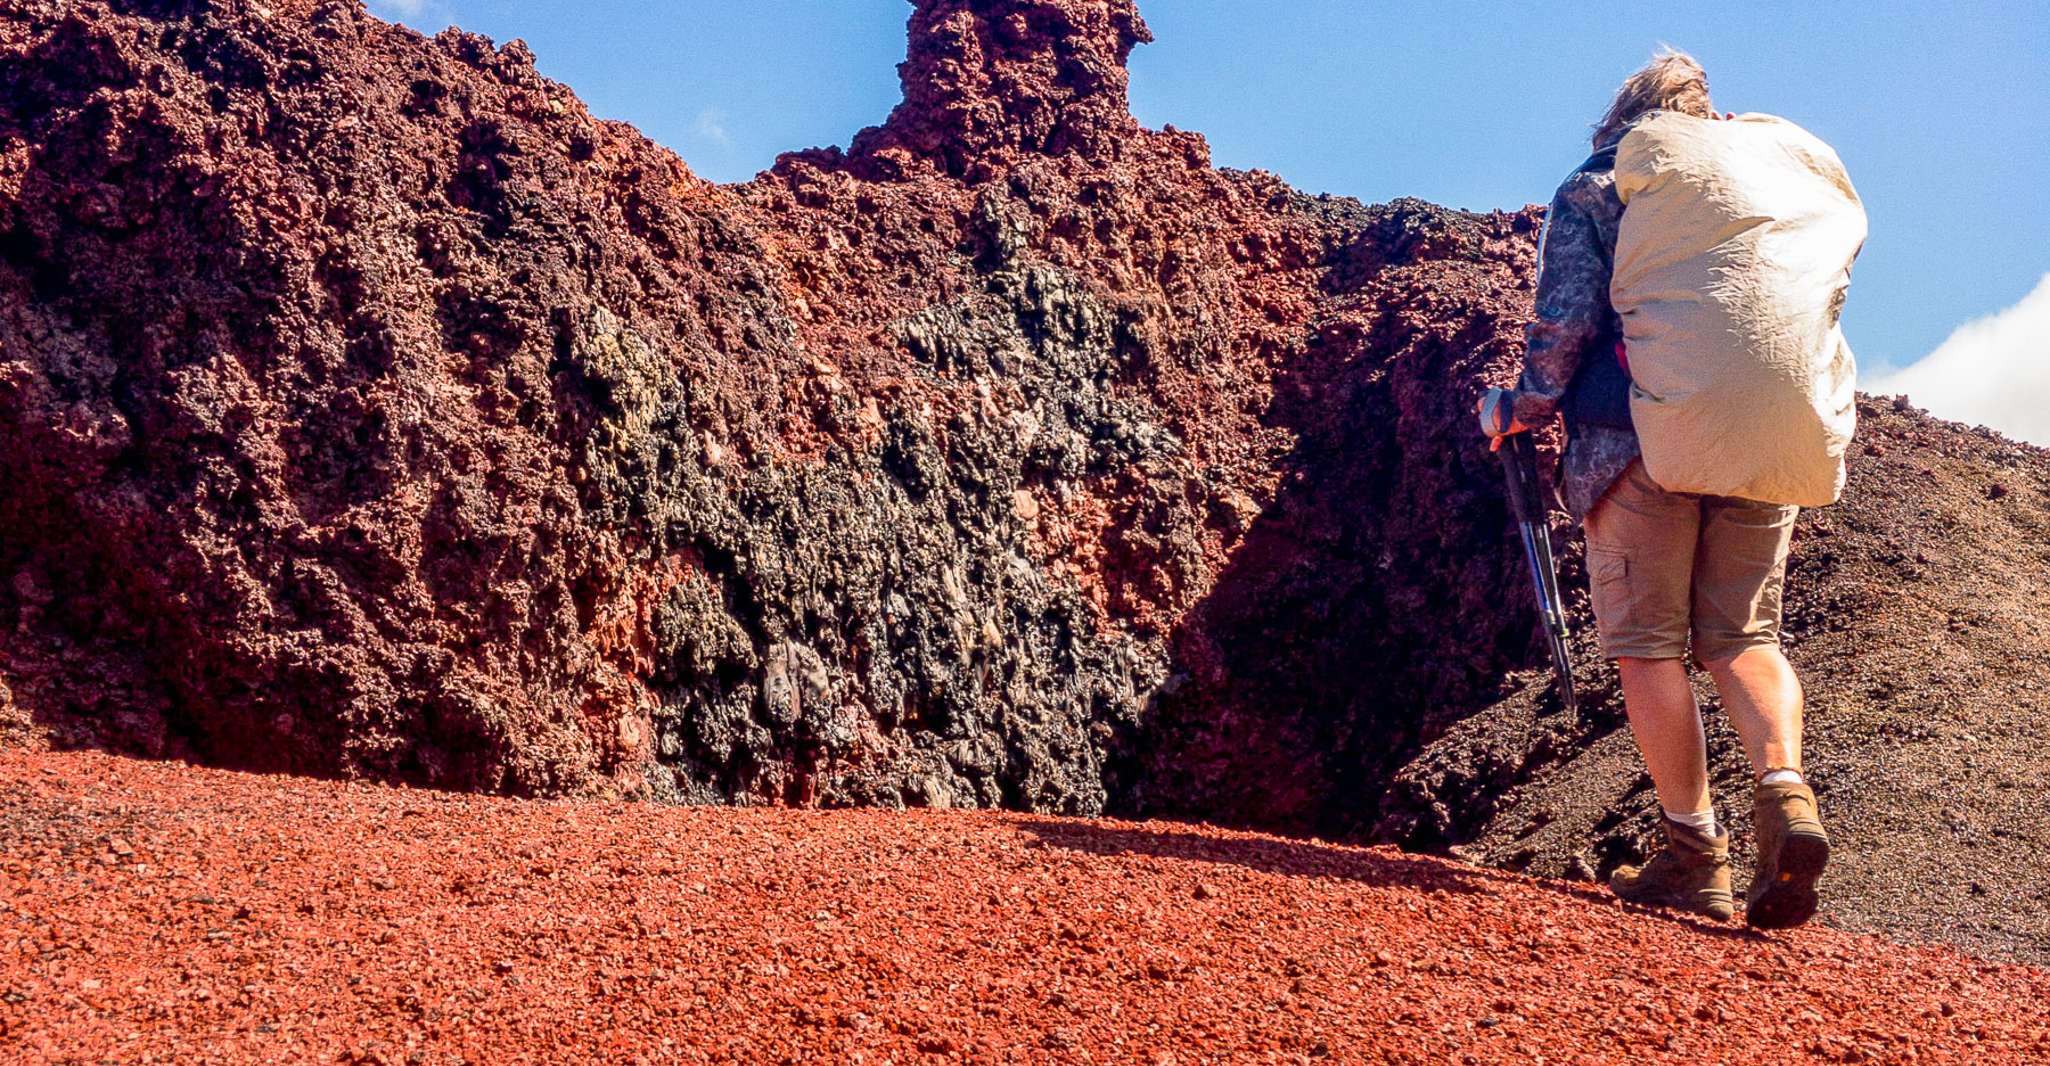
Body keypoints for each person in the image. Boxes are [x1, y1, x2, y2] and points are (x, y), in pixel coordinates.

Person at [1477, 49, 1846, 929]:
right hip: (1770, 439)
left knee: (1649, 645)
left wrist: (1518, 407)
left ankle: (1695, 855)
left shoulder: (1607, 182)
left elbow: (1564, 318)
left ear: (1626, 122)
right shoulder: (1767, 188)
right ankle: (1786, 794)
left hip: (1635, 443)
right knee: (1743, 634)